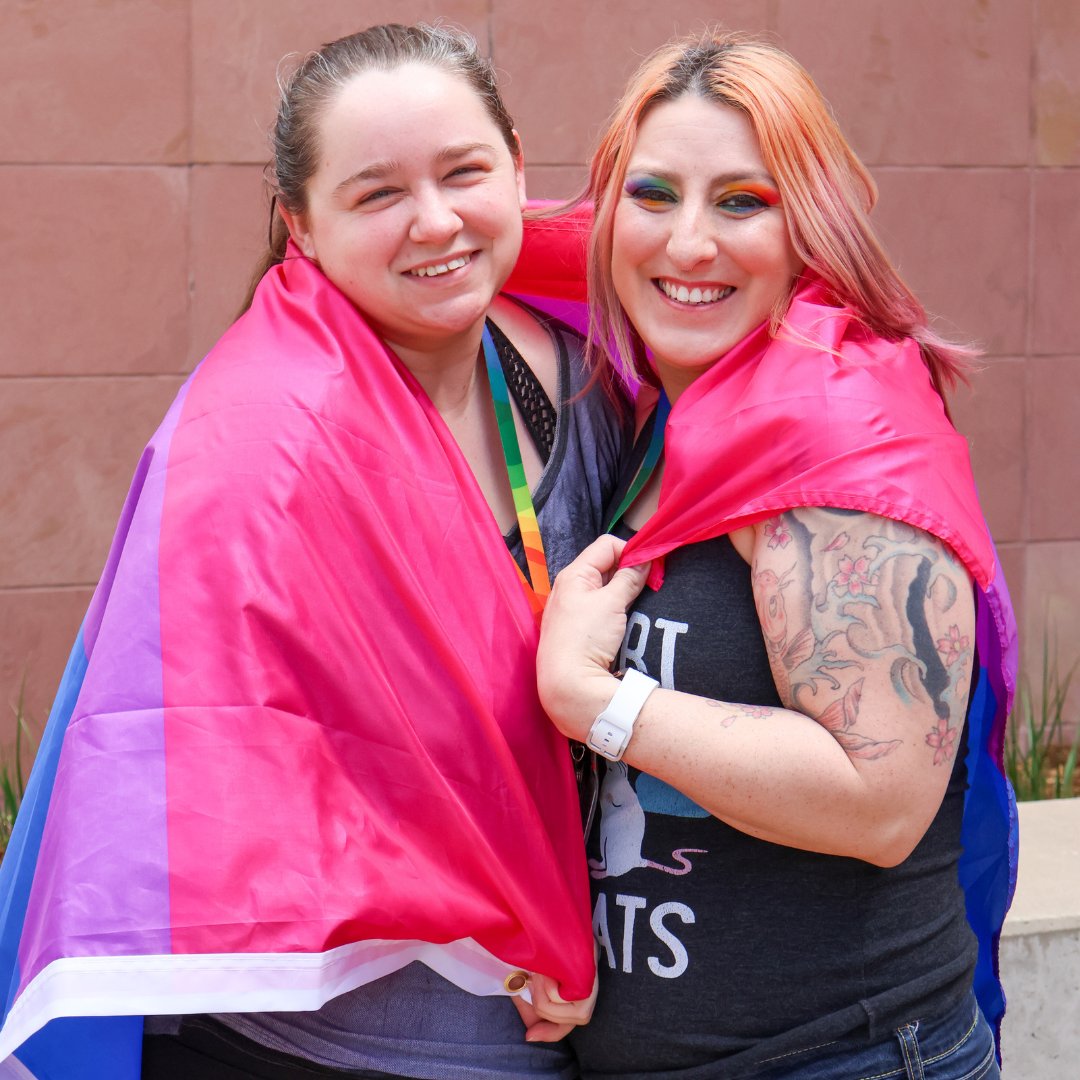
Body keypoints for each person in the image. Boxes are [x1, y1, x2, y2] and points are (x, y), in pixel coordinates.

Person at [0, 23, 630, 1080]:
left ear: (519, 163)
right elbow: (237, 767)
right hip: (331, 1039)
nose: (435, 221)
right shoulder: (259, 442)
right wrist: (530, 918)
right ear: (299, 218)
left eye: (465, 172)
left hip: (547, 1018)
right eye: (377, 194)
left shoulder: (586, 364)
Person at [522, 31, 1017, 1080]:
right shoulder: (672, 414)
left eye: (741, 202)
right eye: (652, 195)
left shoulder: (832, 428)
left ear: (810, 229)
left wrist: (592, 698)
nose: (688, 243)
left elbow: (880, 803)